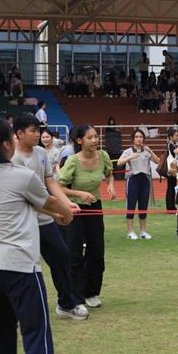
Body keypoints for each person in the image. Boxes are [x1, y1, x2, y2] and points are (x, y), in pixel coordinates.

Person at [0, 119, 73, 354]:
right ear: (7, 144)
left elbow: (23, 203)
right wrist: (65, 214)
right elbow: (49, 202)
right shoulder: (22, 176)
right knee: (36, 330)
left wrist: (54, 213)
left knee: (2, 329)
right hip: (19, 265)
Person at [12, 114, 88, 321]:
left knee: (61, 256)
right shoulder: (13, 158)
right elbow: (24, 197)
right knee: (24, 266)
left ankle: (66, 304)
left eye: (38, 130)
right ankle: (17, 310)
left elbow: (50, 182)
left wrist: (66, 203)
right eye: (33, 131)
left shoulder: (40, 153)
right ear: (19, 134)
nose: (38, 134)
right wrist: (56, 211)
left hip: (44, 219)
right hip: (23, 221)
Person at [58, 124, 116, 309]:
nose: (94, 140)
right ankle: (76, 296)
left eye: (96, 136)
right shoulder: (72, 161)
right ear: (79, 141)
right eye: (90, 137)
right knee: (74, 253)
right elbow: (60, 187)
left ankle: (92, 292)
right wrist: (79, 193)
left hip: (94, 207)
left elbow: (109, 174)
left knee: (97, 252)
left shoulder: (103, 156)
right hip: (74, 209)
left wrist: (110, 185)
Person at [117, 128, 160, 240]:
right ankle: (130, 232)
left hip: (145, 180)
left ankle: (143, 232)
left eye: (141, 137)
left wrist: (150, 151)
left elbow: (158, 161)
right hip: (133, 180)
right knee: (131, 206)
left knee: (143, 206)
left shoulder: (146, 151)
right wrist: (130, 157)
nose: (139, 139)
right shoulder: (128, 151)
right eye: (136, 137)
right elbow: (119, 163)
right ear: (133, 139)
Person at [165, 128, 178, 213]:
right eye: (176, 135)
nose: (177, 137)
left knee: (172, 187)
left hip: (172, 168)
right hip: (171, 168)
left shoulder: (173, 144)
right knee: (171, 188)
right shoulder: (170, 145)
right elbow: (176, 152)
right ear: (171, 137)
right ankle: (170, 207)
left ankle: (171, 206)